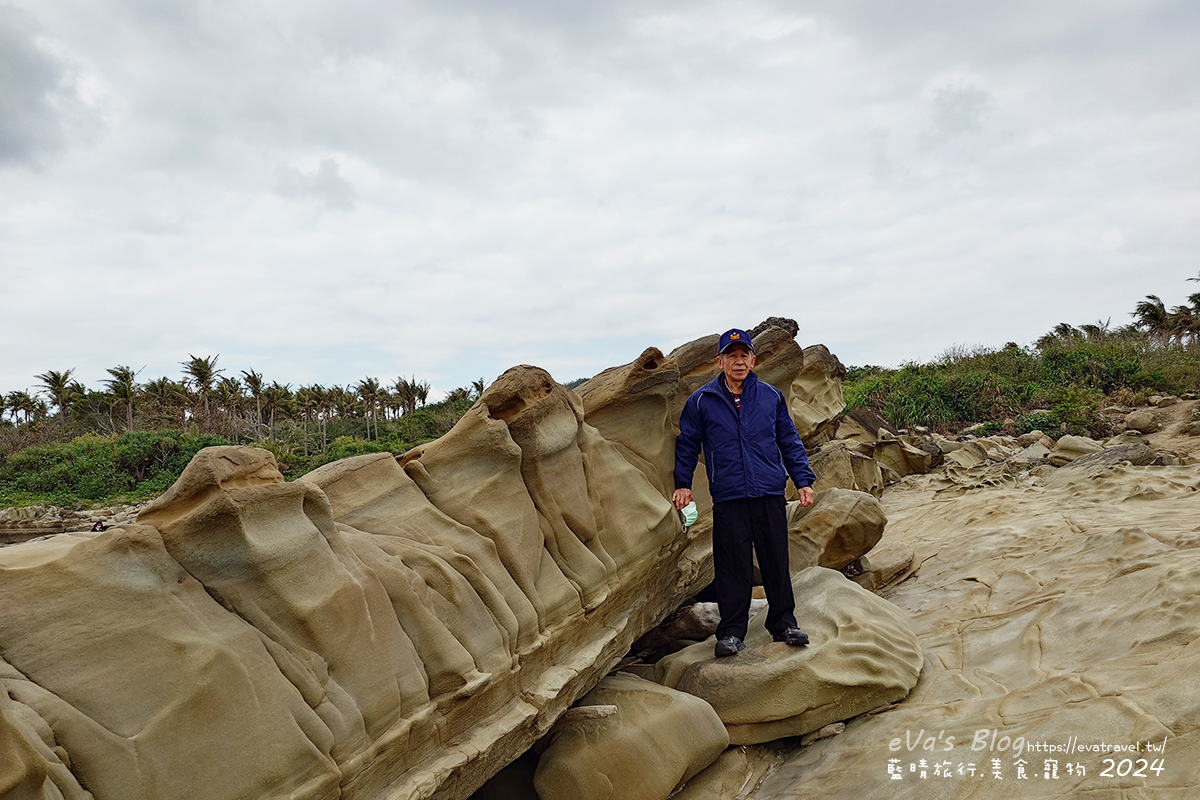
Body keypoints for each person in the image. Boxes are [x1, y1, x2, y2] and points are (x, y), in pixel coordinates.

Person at [672, 328, 817, 658]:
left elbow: (789, 440)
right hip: (729, 493)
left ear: (753, 359)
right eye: (731, 356)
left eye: (744, 355)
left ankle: (785, 624)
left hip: (768, 489)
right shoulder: (702, 401)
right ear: (720, 361)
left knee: (775, 559)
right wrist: (683, 485)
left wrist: (803, 480)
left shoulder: (770, 396)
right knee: (732, 565)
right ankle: (732, 633)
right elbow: (687, 445)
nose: (738, 361)